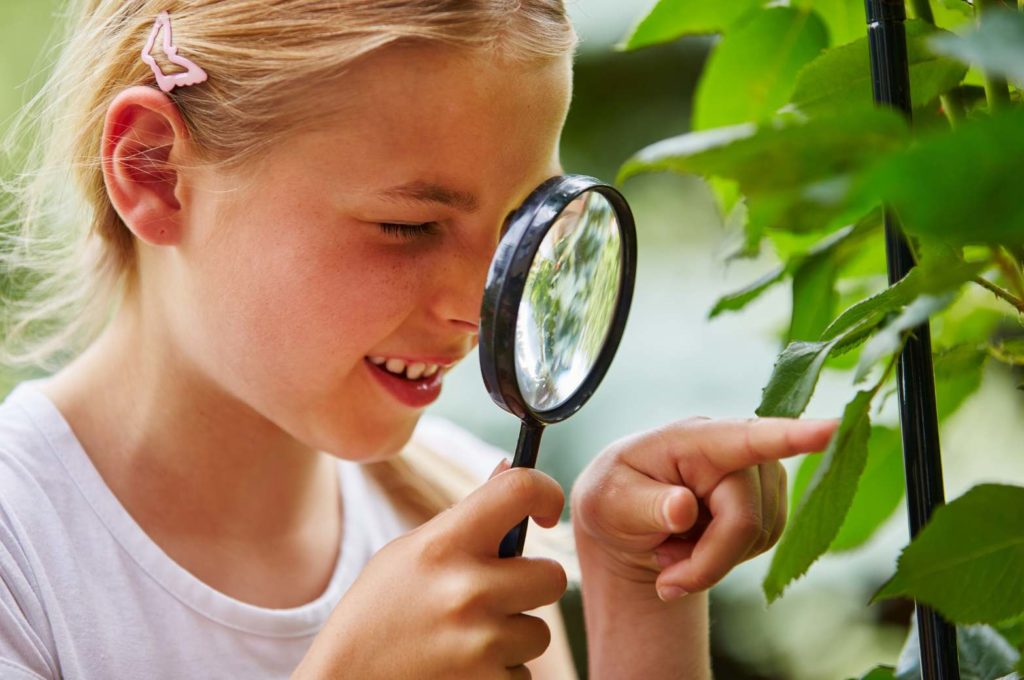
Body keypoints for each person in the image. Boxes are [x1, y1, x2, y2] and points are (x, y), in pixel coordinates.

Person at [0, 2, 837, 678]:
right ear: (154, 171)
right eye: (409, 227)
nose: (483, 309)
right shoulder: (23, 555)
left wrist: (642, 594)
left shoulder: (460, 513)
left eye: (519, 228)